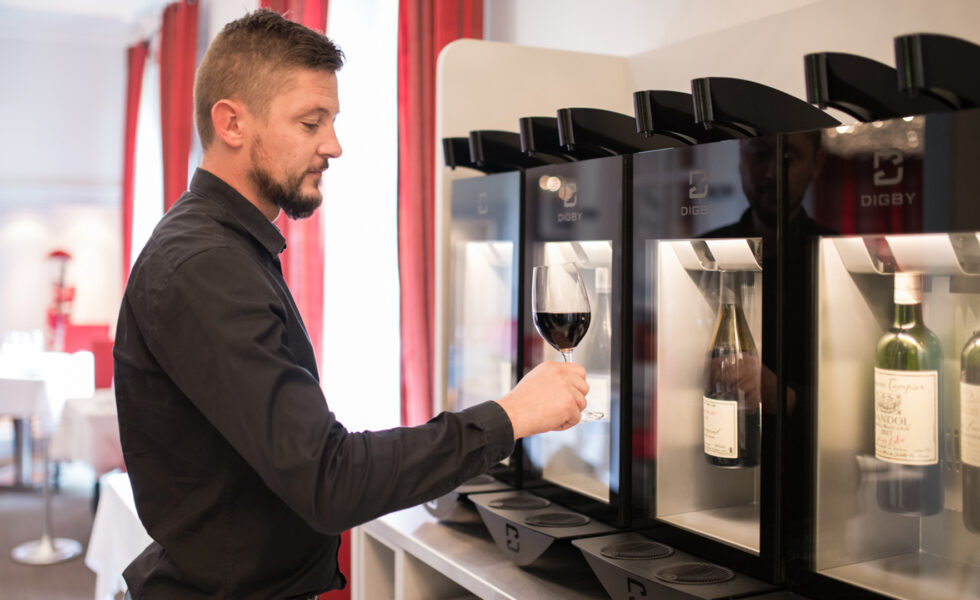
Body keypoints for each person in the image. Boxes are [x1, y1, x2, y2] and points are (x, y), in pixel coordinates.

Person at [113, 9, 588, 600]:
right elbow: (327, 480)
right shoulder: (207, 266)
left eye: (332, 121)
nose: (333, 146)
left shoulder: (227, 247)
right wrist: (512, 414)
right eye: (311, 122)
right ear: (232, 123)